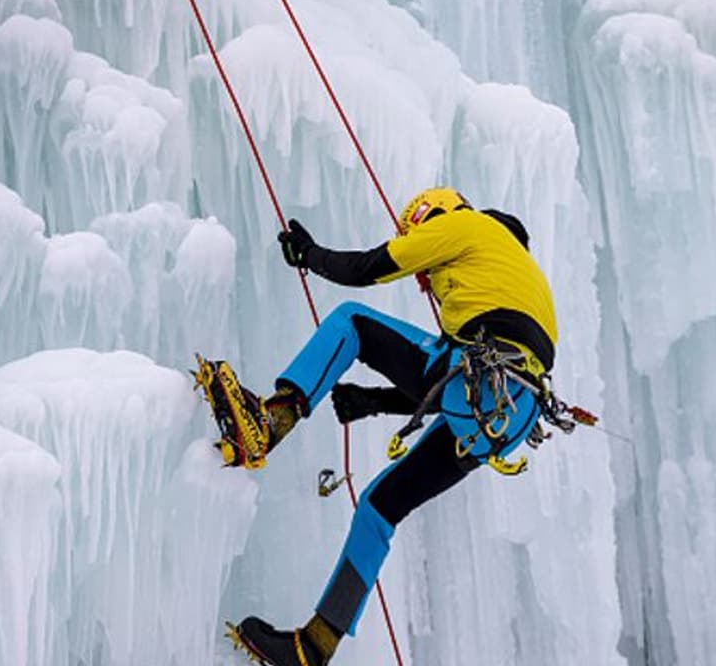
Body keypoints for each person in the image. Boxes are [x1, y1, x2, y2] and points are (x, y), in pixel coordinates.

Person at [218, 187, 558, 666]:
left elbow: (367, 269)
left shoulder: (463, 224)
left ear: (430, 217)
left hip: (479, 380)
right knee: (379, 508)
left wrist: (310, 255)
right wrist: (373, 401)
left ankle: (270, 422)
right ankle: (314, 645)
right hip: (507, 415)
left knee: (352, 322)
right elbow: (446, 387)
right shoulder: (518, 276)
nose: (426, 279)